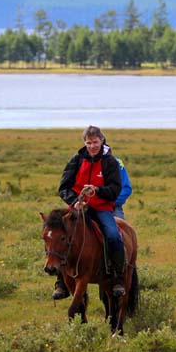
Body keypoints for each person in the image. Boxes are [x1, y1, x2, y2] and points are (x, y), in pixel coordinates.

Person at [52, 125, 125, 300]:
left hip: (101, 208)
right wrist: (75, 201)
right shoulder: (76, 160)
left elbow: (115, 189)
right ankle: (61, 282)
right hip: (77, 208)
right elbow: (63, 187)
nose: (92, 146)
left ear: (102, 141)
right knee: (58, 235)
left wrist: (97, 191)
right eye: (89, 143)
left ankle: (118, 278)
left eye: (95, 142)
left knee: (113, 236)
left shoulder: (110, 162)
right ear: (84, 143)